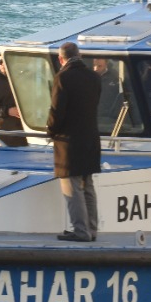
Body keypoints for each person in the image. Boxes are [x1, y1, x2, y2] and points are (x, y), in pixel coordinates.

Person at [47, 42, 102, 241]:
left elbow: (57, 111)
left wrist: (50, 130)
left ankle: (81, 231)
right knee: (88, 185)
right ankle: (91, 229)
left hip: (69, 142)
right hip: (91, 138)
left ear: (61, 59)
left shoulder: (63, 77)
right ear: (79, 55)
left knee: (72, 187)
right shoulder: (94, 77)